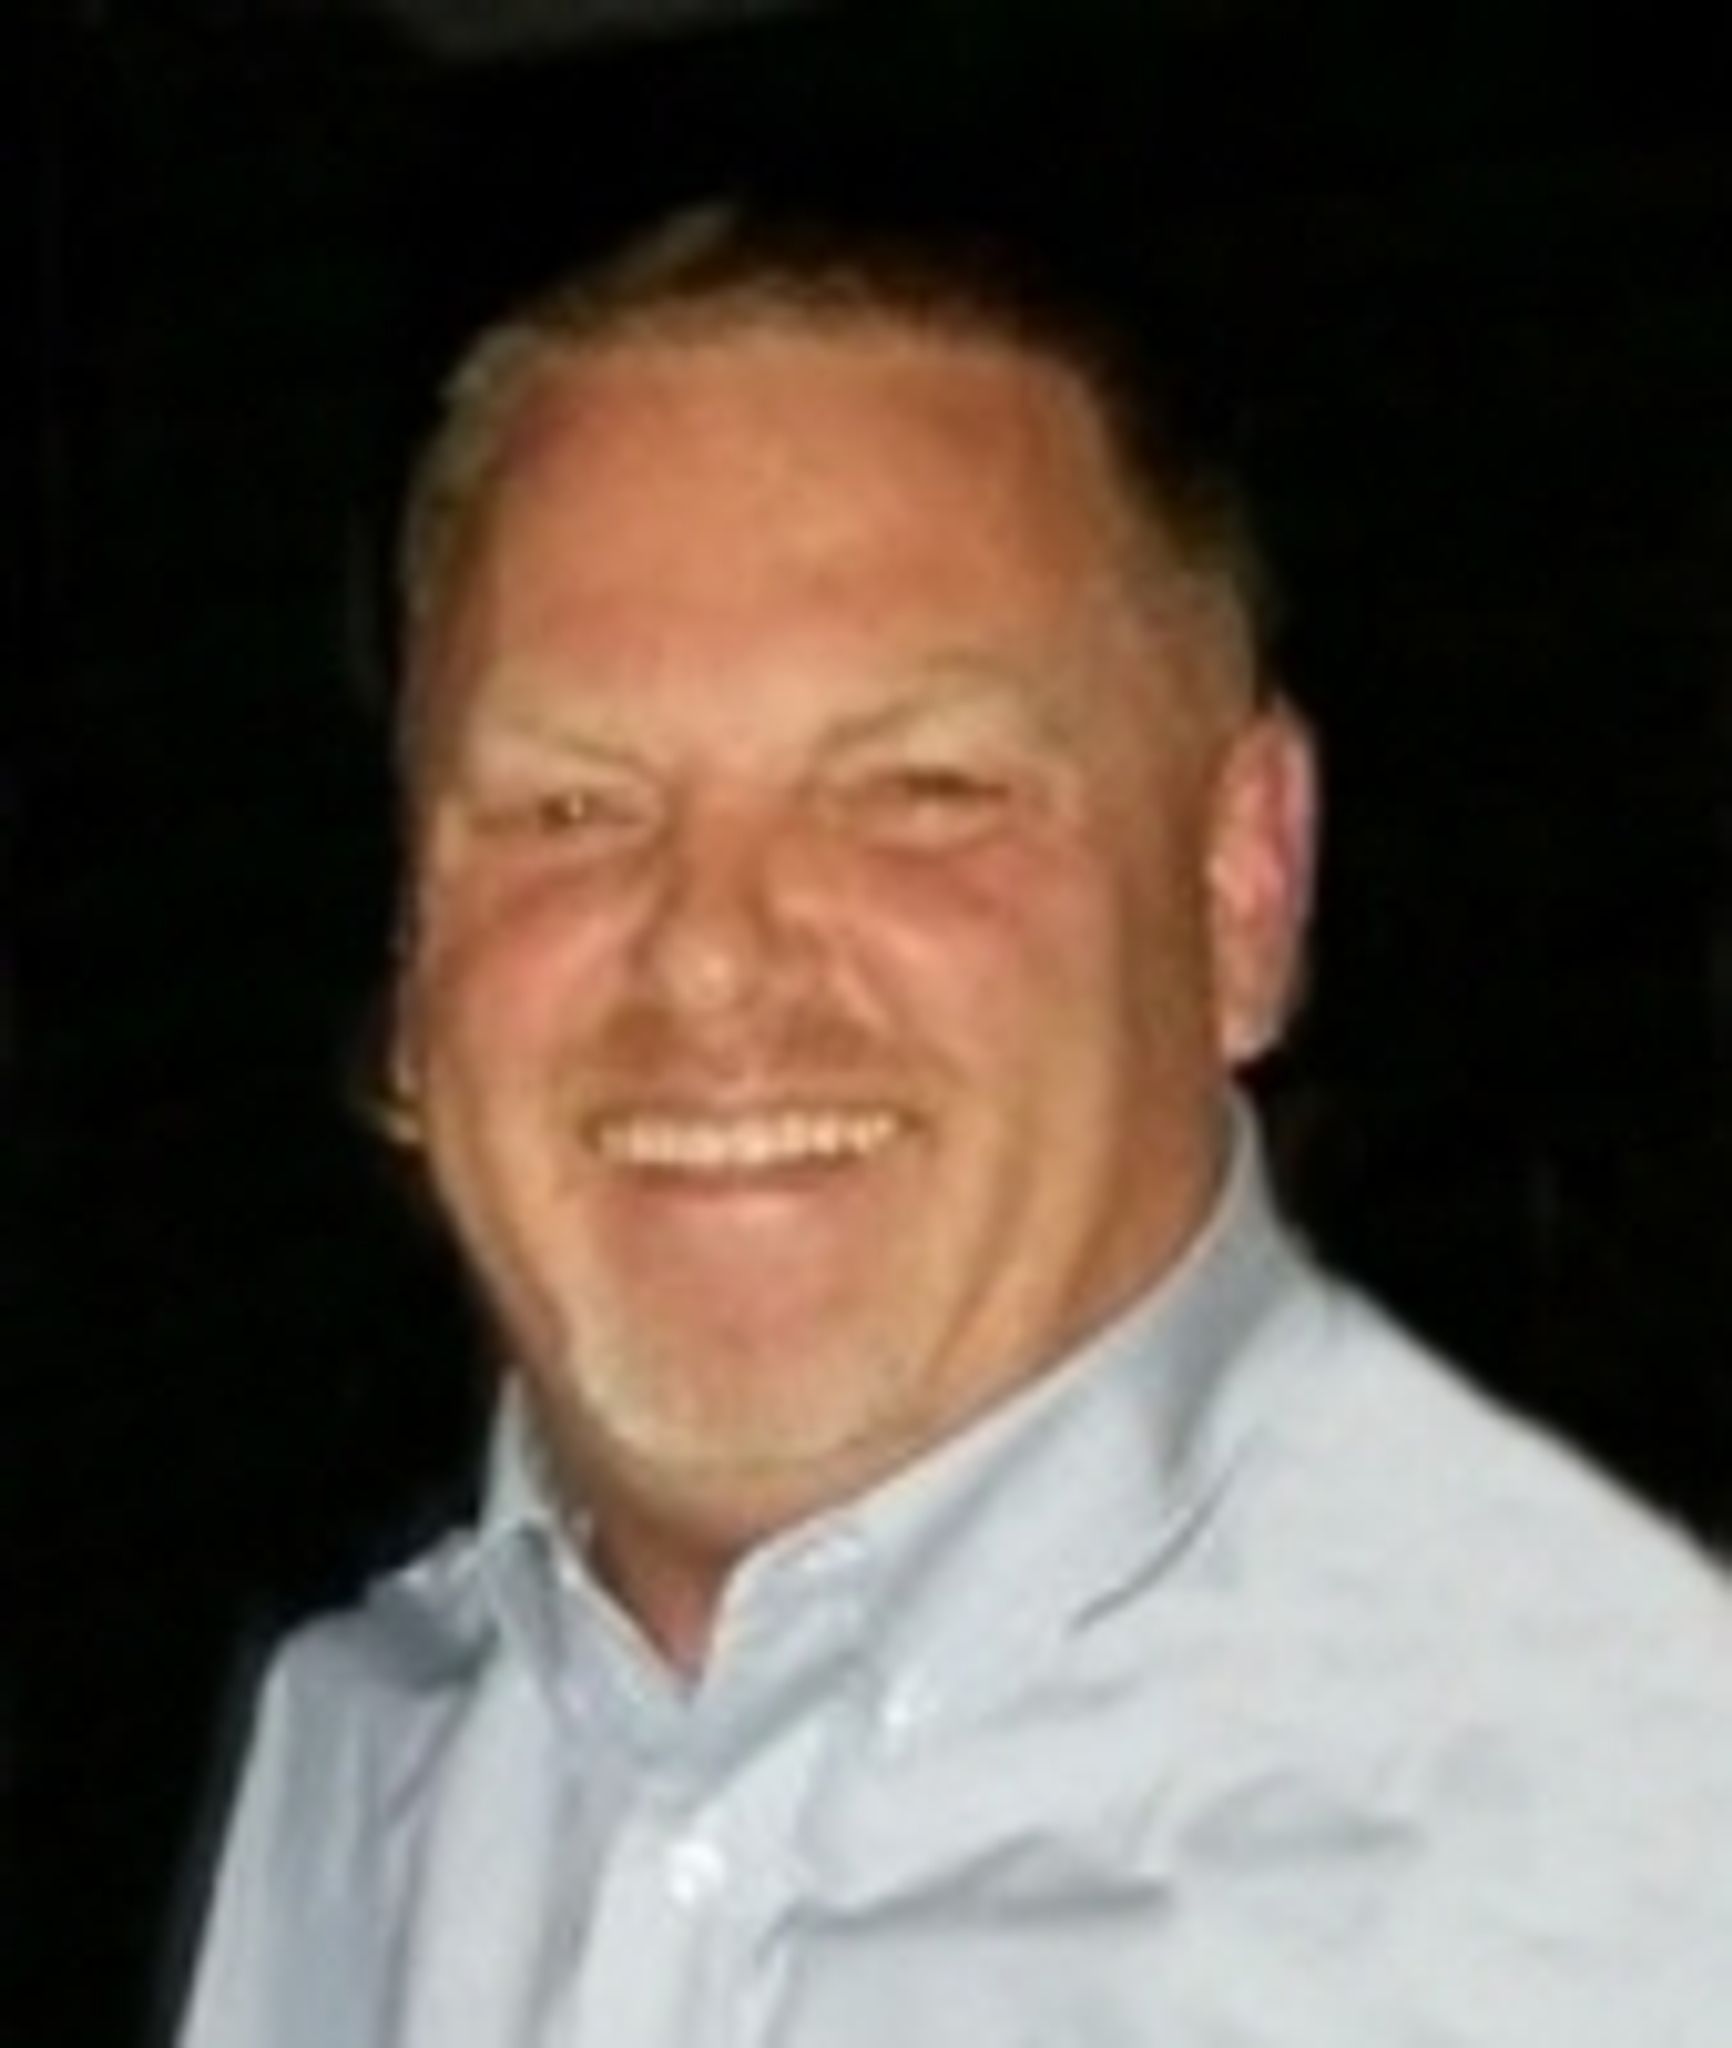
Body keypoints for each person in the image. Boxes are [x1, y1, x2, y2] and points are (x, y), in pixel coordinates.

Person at [175, 202, 1732, 2047]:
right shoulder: (358, 1742)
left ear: (1241, 887)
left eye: (916, 790)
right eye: (569, 809)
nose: (712, 959)